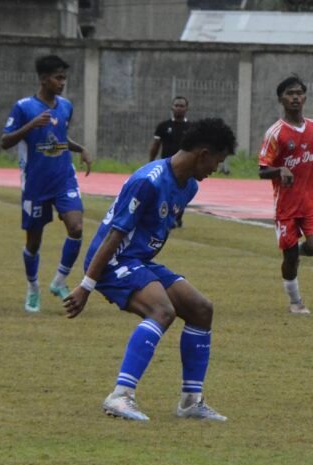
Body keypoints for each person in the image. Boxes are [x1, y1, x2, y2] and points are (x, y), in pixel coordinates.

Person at [63, 118, 236, 422]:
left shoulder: (189, 186)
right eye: (217, 162)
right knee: (162, 310)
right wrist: (86, 285)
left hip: (138, 260)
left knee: (201, 309)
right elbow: (114, 235)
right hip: (113, 261)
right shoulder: (149, 181)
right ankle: (120, 396)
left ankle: (191, 402)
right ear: (203, 154)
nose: (215, 169)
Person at [1, 55, 92, 313]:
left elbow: (59, 137)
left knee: (76, 228)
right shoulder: (24, 107)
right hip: (36, 183)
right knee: (33, 242)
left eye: (64, 78)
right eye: (57, 78)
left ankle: (59, 281)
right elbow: (5, 141)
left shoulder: (66, 106)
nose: (62, 83)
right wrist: (31, 125)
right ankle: (33, 288)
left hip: (63, 178)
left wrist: (81, 148)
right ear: (43, 79)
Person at [258, 76, 313, 315]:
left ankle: (298, 252)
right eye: (290, 93)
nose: (295, 97)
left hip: (310, 202)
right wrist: (280, 170)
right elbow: (262, 170)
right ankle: (295, 301)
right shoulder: (275, 133)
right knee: (288, 260)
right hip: (286, 206)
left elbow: (309, 157)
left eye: (299, 93)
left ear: (305, 97)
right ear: (281, 99)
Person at [149, 96, 190, 227]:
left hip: (185, 167)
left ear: (187, 109)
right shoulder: (163, 126)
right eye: (176, 105)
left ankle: (178, 218)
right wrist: (151, 162)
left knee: (182, 193)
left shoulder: (191, 127)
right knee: (165, 192)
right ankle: (164, 216)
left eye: (182, 106)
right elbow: (155, 145)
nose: (179, 108)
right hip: (167, 166)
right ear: (172, 108)